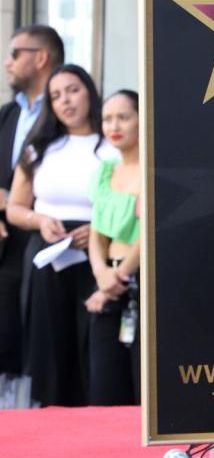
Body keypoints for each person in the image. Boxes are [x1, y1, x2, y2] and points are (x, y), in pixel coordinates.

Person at [6, 64, 116, 406]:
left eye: (72, 90)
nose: (65, 101)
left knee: (94, 344)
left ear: (89, 92)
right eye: (55, 95)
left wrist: (99, 230)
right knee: (50, 343)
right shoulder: (39, 148)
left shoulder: (111, 143)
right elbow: (14, 207)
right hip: (49, 252)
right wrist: (39, 220)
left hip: (99, 252)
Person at [0, 25, 63, 405]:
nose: (8, 62)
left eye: (15, 53)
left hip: (52, 242)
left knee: (42, 336)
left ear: (40, 58)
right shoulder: (7, 114)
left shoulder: (69, 111)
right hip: (7, 242)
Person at [84, 89, 141, 405]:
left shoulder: (153, 169)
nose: (113, 125)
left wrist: (114, 280)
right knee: (104, 381)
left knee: (141, 382)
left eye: (123, 117)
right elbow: (97, 230)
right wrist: (101, 273)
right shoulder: (105, 170)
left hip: (138, 279)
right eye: (107, 118)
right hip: (106, 279)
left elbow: (148, 234)